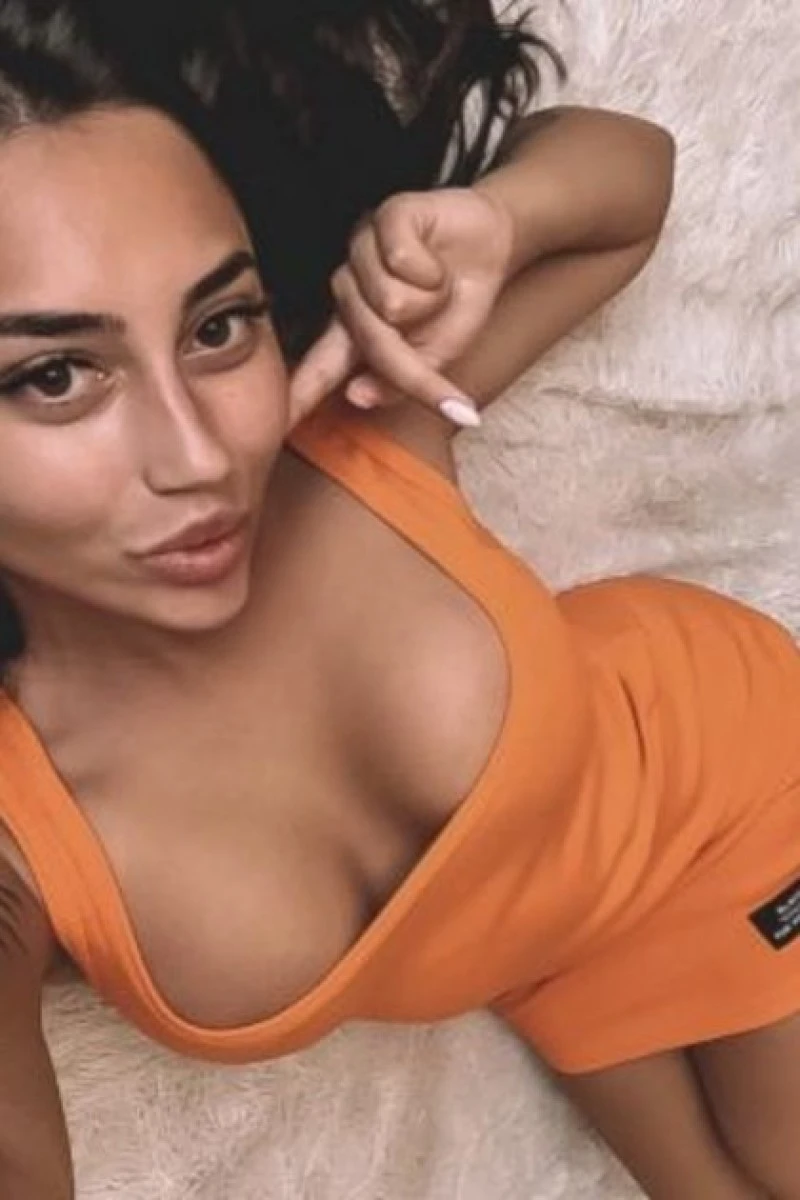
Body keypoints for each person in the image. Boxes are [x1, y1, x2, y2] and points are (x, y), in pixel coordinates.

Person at [0, 3, 796, 1199]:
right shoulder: (19, 837)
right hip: (551, 966)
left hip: (725, 791)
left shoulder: (343, 430)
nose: (200, 456)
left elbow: (630, 183)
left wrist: (496, 218)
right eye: (55, 375)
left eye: (218, 326)